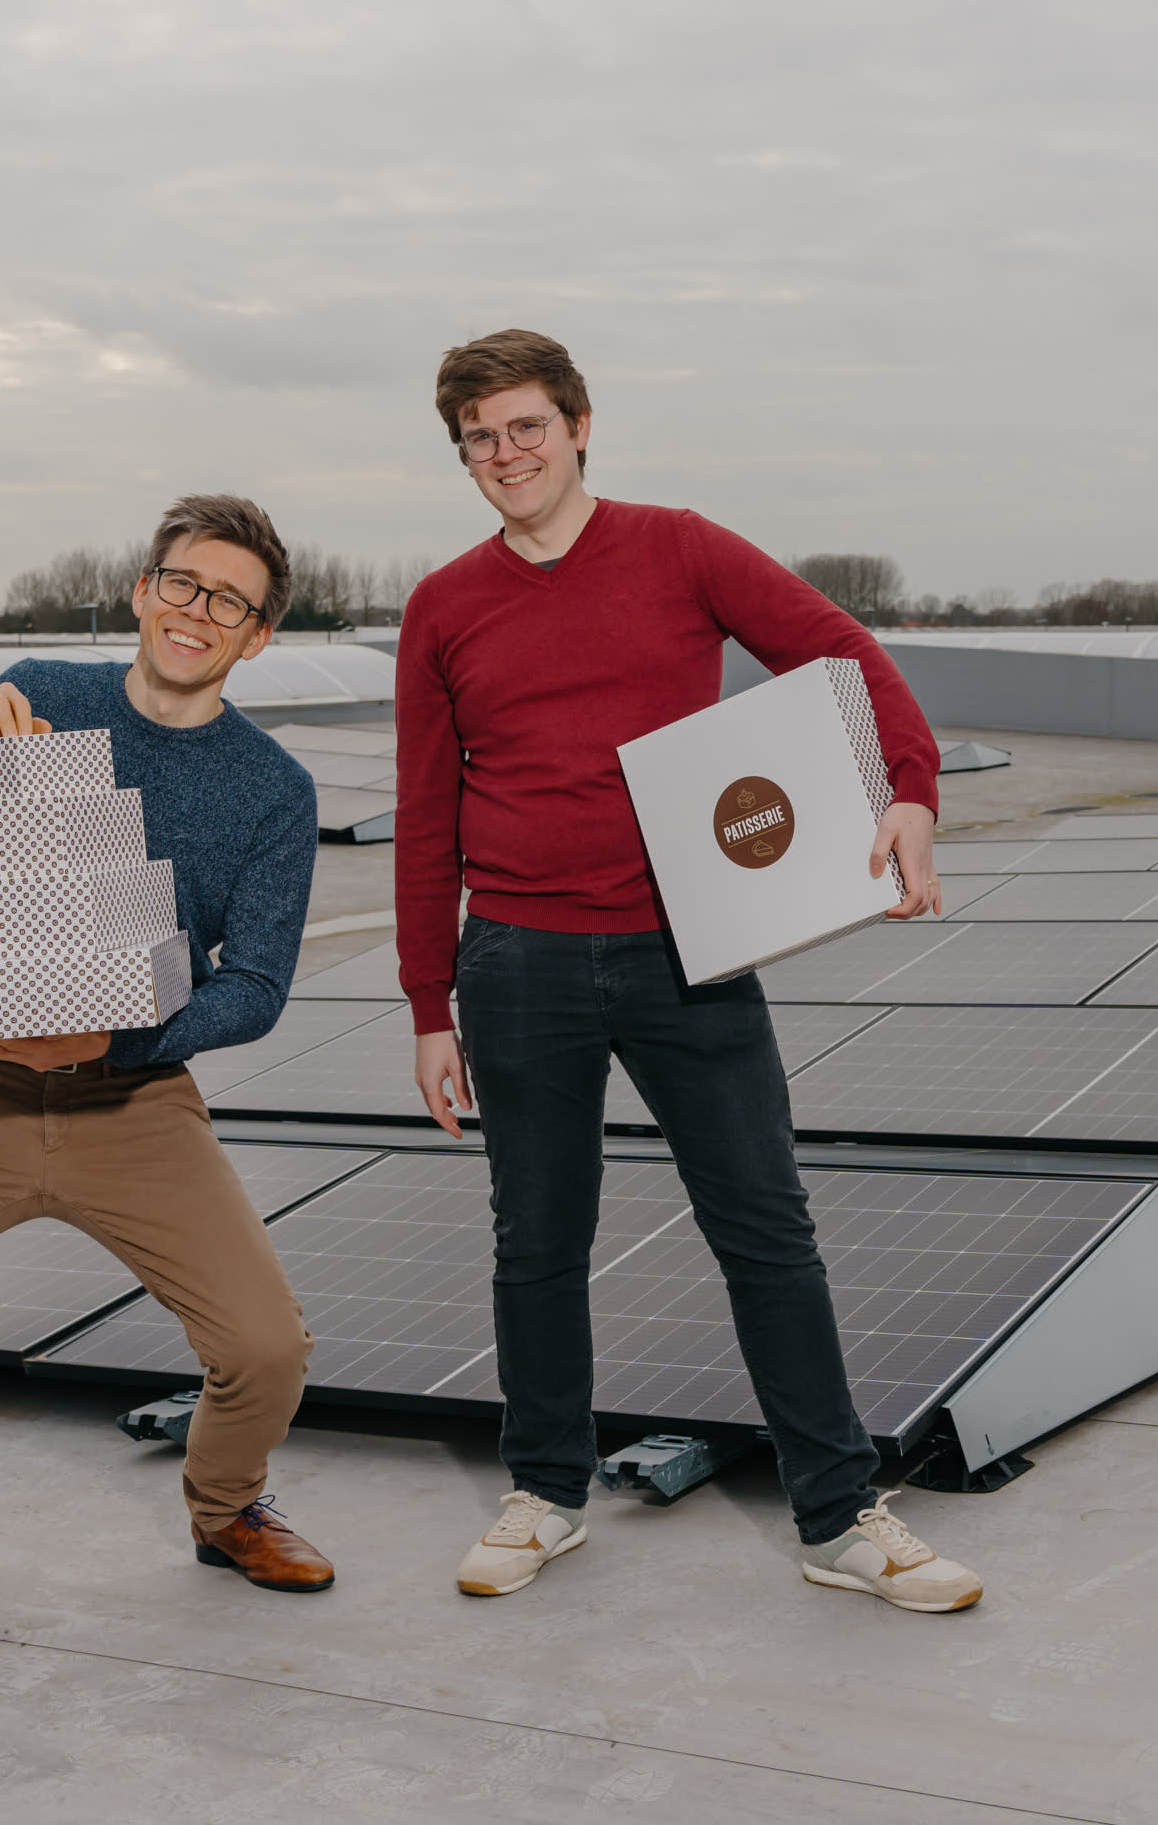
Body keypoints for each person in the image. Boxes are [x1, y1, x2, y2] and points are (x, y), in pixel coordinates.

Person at [398, 329, 984, 1614]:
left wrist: (911, 787)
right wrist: (429, 1004)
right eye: (479, 438)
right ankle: (546, 1491)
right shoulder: (443, 604)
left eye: (526, 426)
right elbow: (425, 813)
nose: (505, 453)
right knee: (536, 1239)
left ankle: (839, 1514)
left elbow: (842, 654)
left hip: (688, 953)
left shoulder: (681, 547)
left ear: (580, 424)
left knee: (766, 1230)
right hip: (517, 960)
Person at [0, 494, 330, 1685]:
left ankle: (227, 1505)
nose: (198, 611)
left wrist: (125, 1034)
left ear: (259, 636)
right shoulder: (33, 694)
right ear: (142, 590)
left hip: (134, 1099)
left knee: (266, 1347)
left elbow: (259, 983)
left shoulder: (272, 789)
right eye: (183, 583)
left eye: (230, 602)